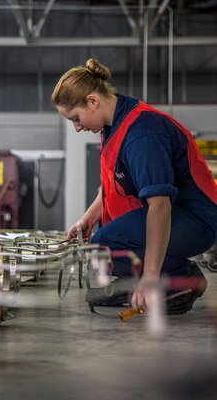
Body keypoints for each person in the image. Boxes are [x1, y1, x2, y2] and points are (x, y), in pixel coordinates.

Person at [51, 58, 217, 315]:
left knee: (108, 243)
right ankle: (135, 282)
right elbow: (113, 184)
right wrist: (88, 218)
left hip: (198, 219)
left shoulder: (142, 134)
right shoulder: (113, 123)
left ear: (93, 101)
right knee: (102, 241)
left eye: (76, 118)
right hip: (177, 215)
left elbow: (160, 205)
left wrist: (150, 275)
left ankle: (180, 281)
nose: (77, 127)